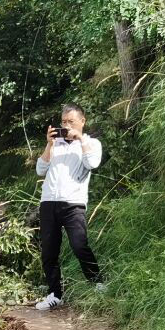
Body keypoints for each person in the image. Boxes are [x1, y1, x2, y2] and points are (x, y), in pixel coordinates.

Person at [32, 103, 104, 312]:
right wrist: (49, 145)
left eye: (71, 122)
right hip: (48, 202)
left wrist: (80, 139)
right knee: (49, 251)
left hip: (73, 203)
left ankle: (98, 283)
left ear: (82, 121)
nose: (66, 126)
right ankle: (54, 295)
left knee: (79, 244)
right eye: (63, 122)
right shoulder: (56, 144)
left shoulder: (91, 143)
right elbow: (40, 169)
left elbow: (92, 163)